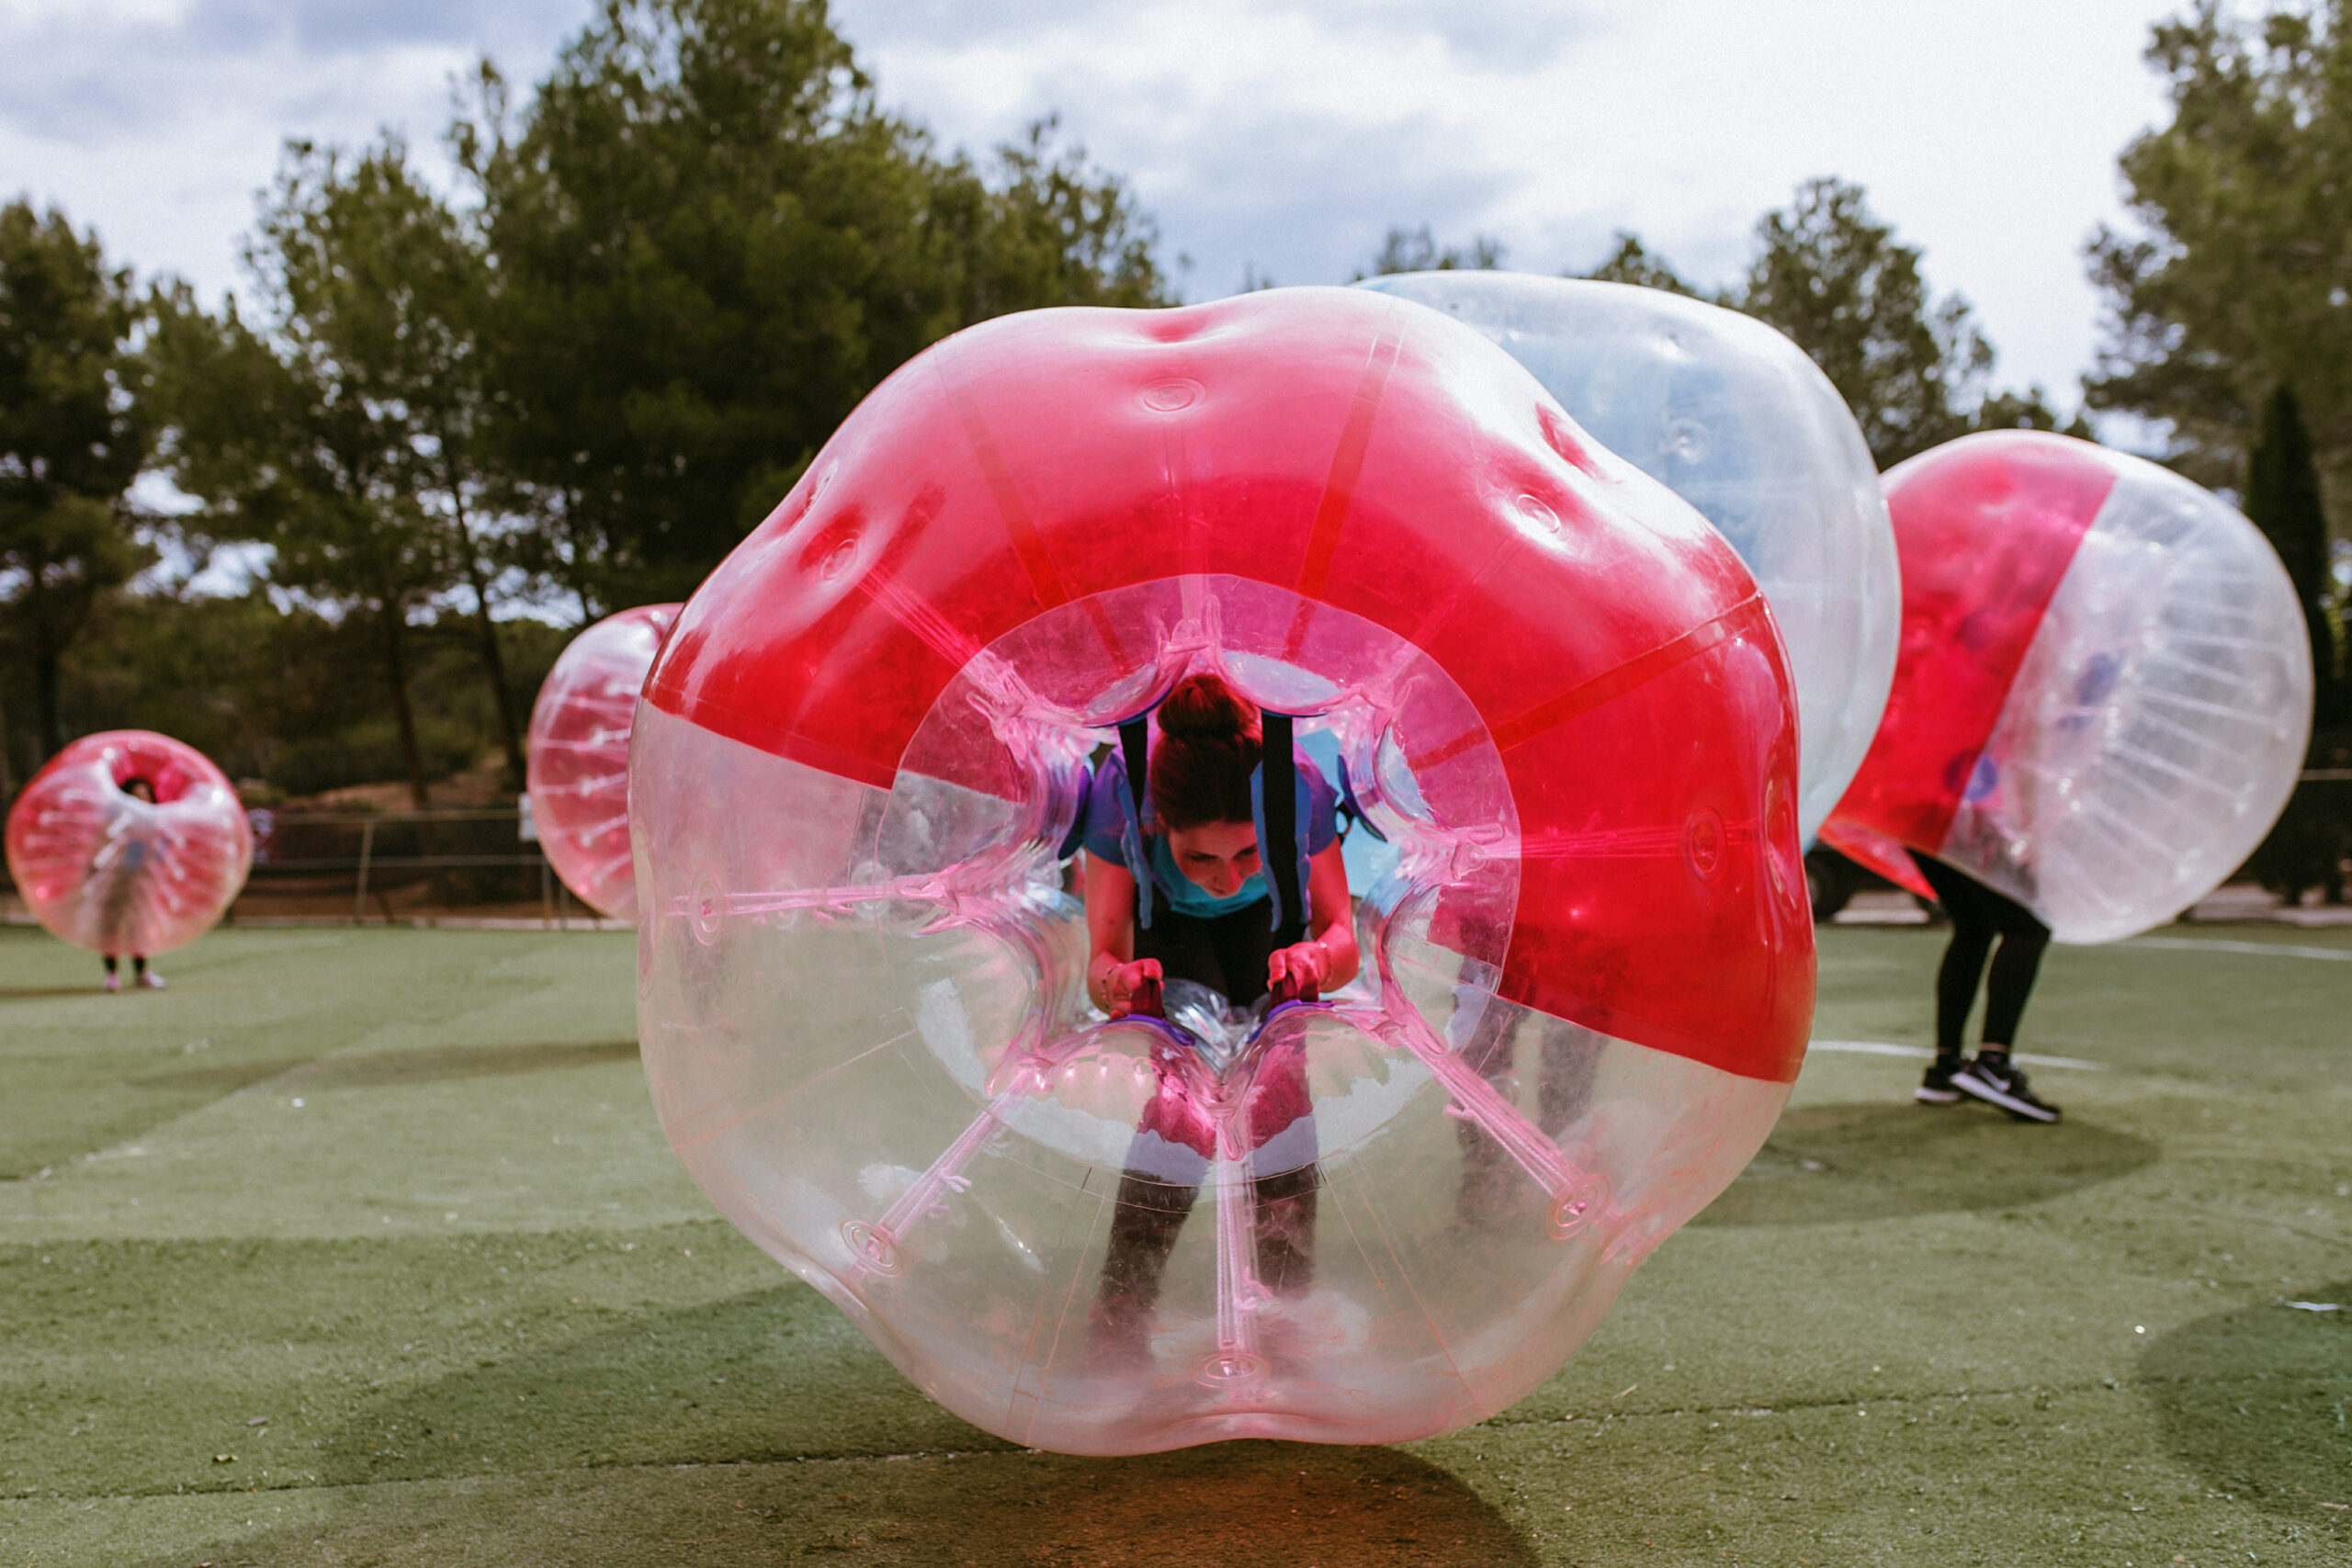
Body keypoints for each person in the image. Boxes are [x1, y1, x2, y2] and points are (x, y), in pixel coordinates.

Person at [1080, 673, 1359, 1366]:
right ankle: (1122, 1305)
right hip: (1171, 931)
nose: (1227, 877)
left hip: (1272, 929)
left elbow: (1343, 935)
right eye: (1199, 856)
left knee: (1282, 1087)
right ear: (1158, 825)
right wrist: (1122, 983)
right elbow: (1102, 961)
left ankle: (1284, 1309)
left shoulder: (1296, 784)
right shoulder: (1122, 791)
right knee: (1180, 1104)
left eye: (1245, 853)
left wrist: (1315, 960)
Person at [1909, 850, 2054, 1122]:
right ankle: (1993, 1064)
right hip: (1966, 815)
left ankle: (1945, 1068)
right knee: (2028, 926)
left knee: (1974, 925)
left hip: (1918, 817)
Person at [100, 777, 166, 994]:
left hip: (140, 884)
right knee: (112, 927)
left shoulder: (154, 825)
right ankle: (112, 975)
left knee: (138, 927)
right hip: (117, 884)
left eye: (145, 795)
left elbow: (157, 857)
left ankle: (142, 973)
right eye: (137, 796)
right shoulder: (119, 824)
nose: (142, 800)